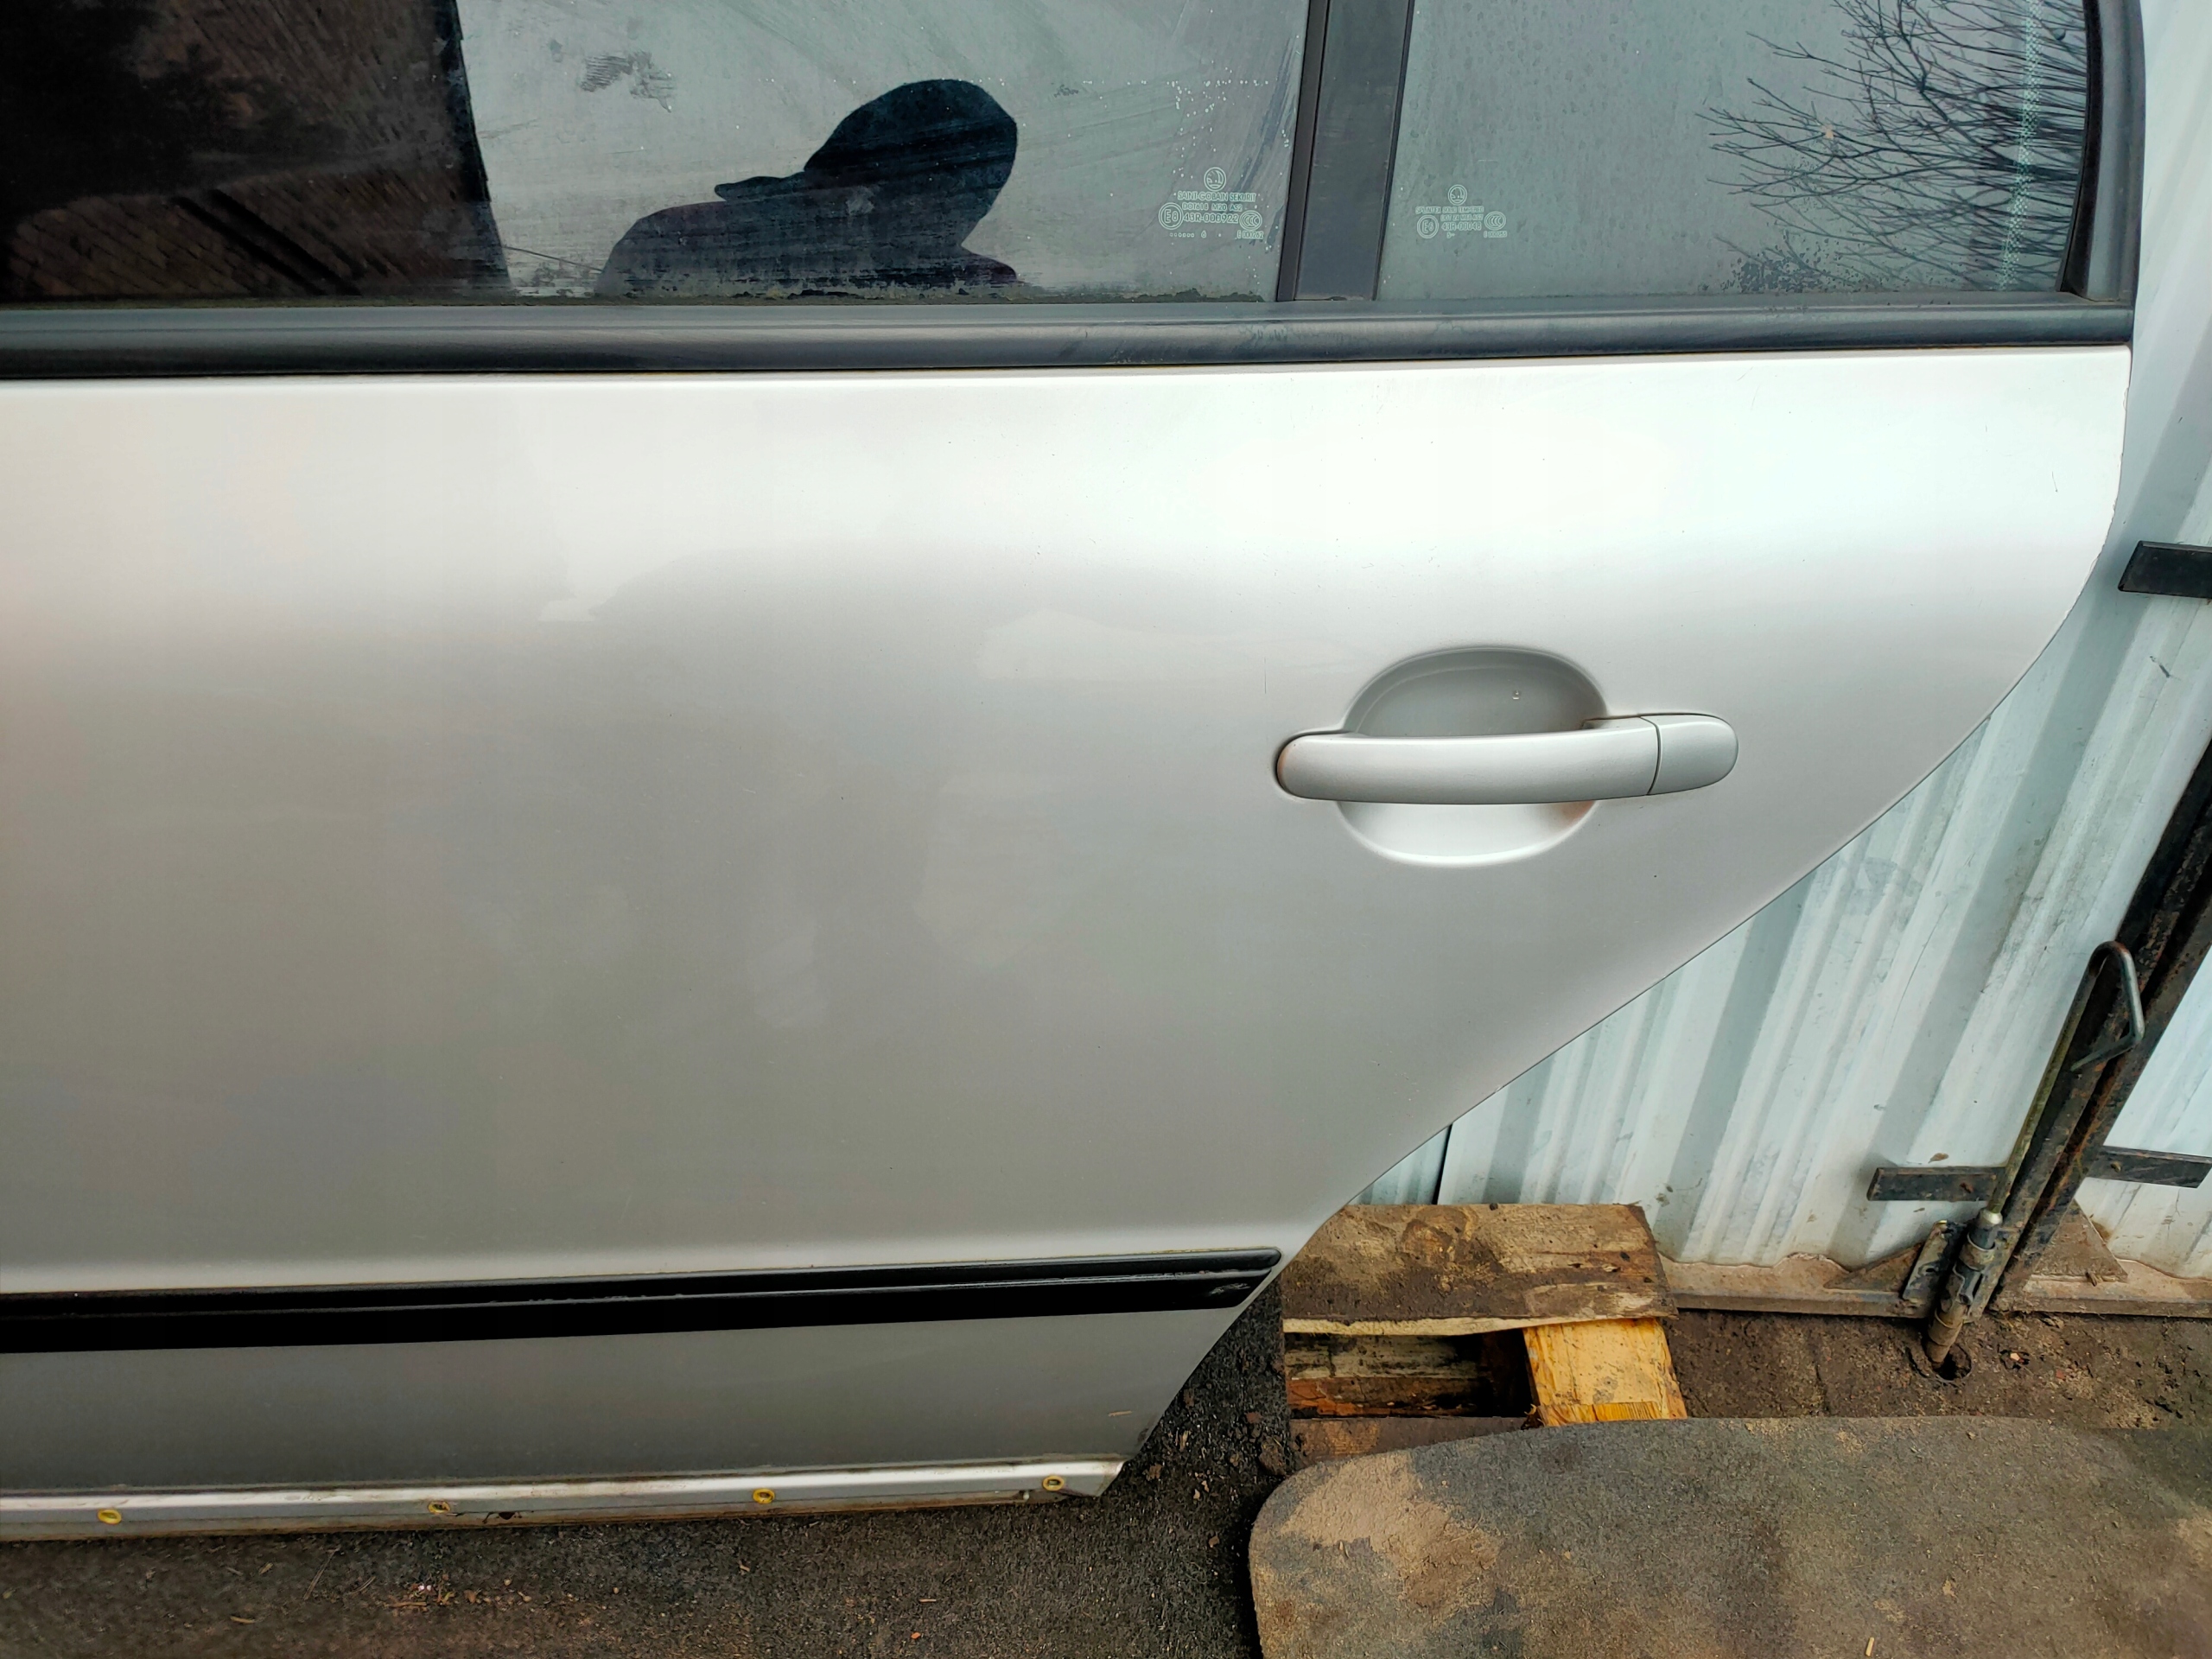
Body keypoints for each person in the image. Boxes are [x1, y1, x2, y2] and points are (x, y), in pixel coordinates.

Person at [598, 79, 1018, 298]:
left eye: (977, 197)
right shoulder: (677, 242)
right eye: (938, 195)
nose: (955, 217)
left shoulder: (978, 293)